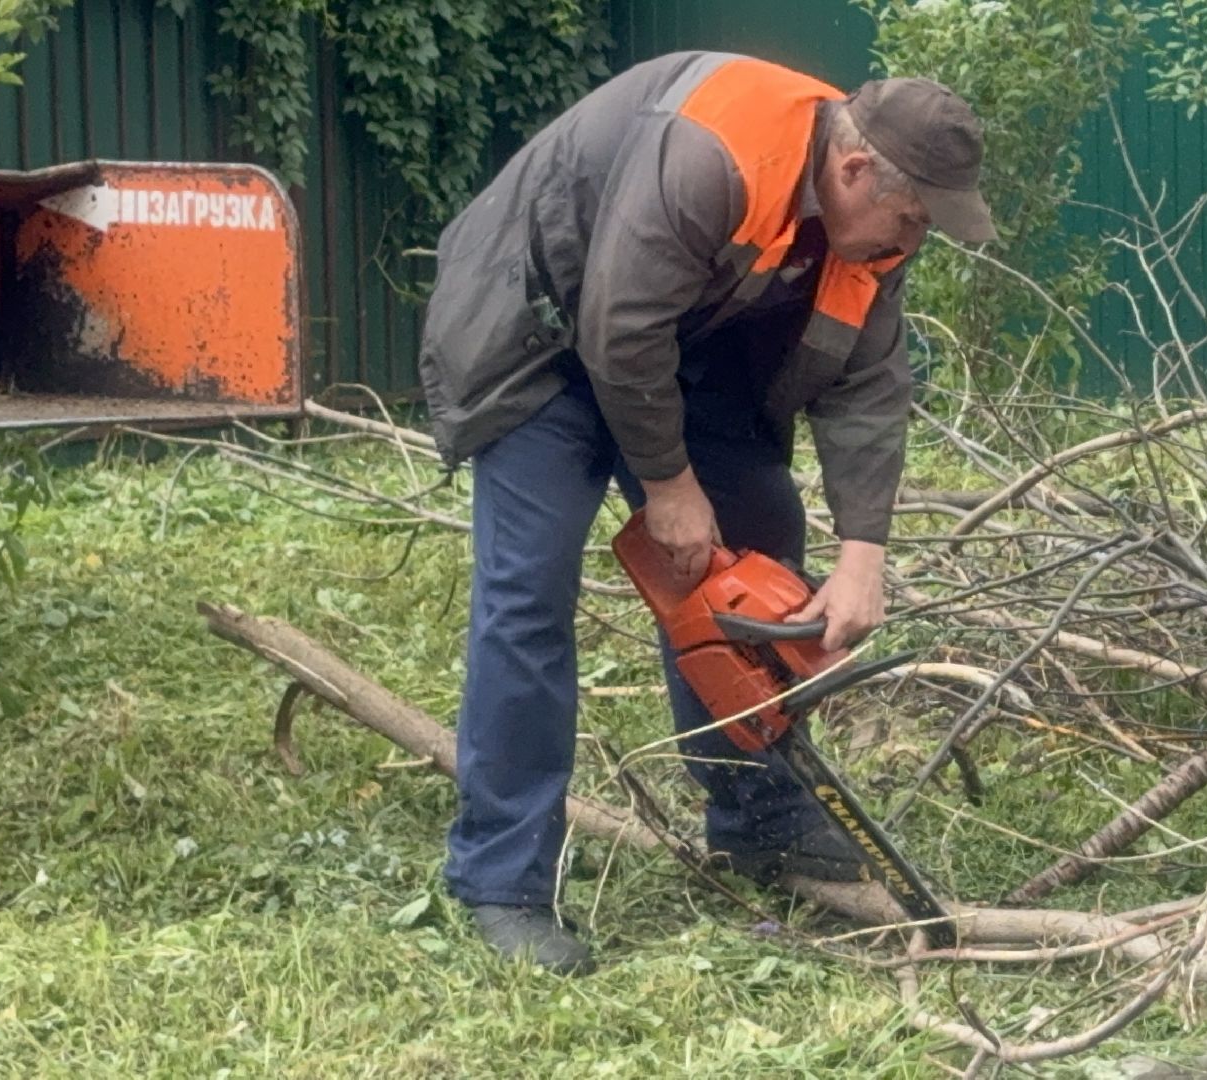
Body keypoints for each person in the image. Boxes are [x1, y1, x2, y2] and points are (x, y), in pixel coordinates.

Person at [416, 50, 995, 976]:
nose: (912, 240)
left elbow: (870, 385)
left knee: (761, 547)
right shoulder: (714, 151)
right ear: (854, 171)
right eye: (911, 216)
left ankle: (758, 815)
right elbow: (617, 323)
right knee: (529, 591)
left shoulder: (869, 236)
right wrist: (669, 484)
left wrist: (864, 553)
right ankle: (501, 880)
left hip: (679, 352)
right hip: (540, 336)